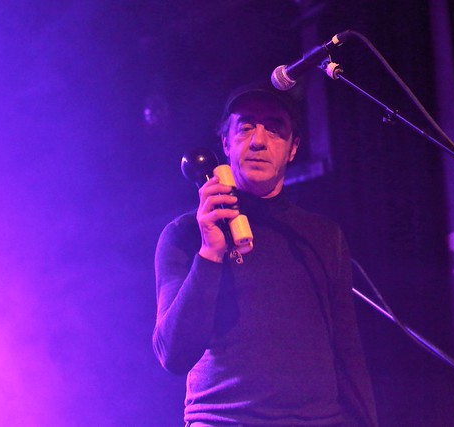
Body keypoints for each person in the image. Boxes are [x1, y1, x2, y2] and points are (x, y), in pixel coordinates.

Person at [152, 84, 379, 427]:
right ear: (225, 143)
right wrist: (210, 252)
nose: (258, 141)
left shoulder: (322, 235)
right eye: (245, 127)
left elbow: (348, 353)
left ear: (293, 148)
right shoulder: (184, 235)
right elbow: (173, 354)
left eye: (274, 129)